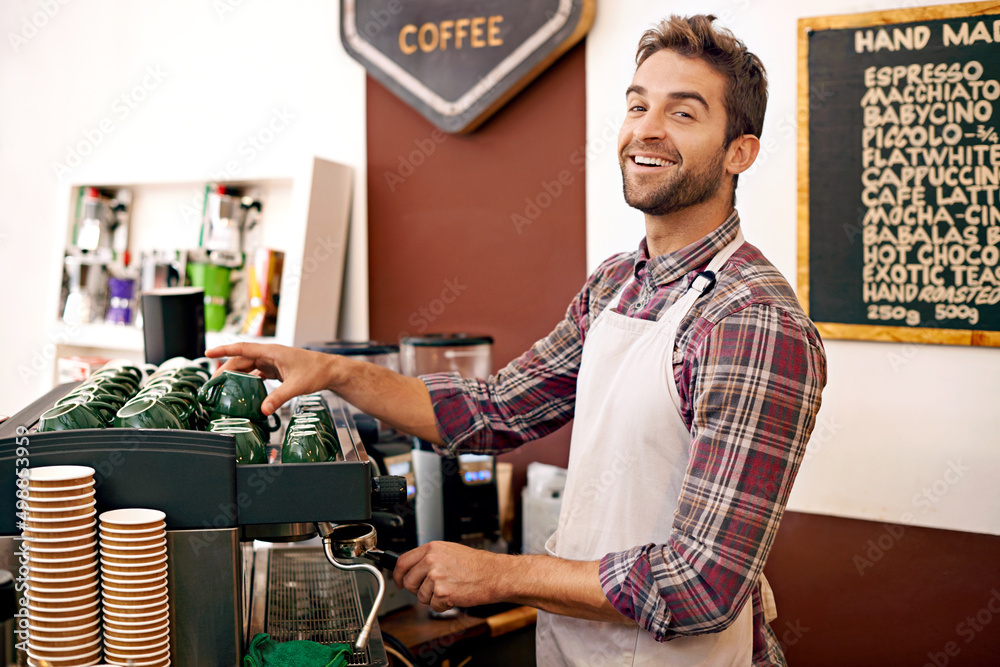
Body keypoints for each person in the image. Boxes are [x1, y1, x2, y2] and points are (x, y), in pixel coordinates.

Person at [208, 14, 826, 666]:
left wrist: (499, 575)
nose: (646, 128)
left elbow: (700, 585)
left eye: (683, 113)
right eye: (637, 104)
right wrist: (329, 370)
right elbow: (494, 409)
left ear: (740, 151)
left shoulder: (752, 321)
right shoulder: (617, 283)